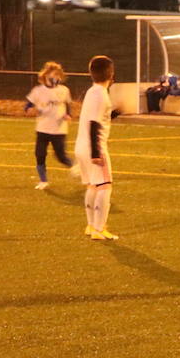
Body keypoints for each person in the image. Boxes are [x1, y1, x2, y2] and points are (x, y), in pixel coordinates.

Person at [74, 55, 119, 241]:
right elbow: (94, 123)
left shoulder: (92, 91)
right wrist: (95, 153)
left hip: (81, 145)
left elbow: (98, 118)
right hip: (95, 147)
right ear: (111, 73)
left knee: (93, 186)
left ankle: (91, 225)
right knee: (105, 186)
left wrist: (116, 113)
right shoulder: (101, 94)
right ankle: (99, 229)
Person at [24, 61, 73, 189]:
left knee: (61, 156)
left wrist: (68, 115)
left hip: (59, 129)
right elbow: (28, 106)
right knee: (40, 154)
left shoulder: (64, 90)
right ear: (45, 76)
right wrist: (29, 110)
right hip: (43, 128)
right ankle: (43, 181)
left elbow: (68, 105)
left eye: (57, 76)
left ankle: (77, 168)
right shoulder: (38, 91)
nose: (55, 78)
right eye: (52, 75)